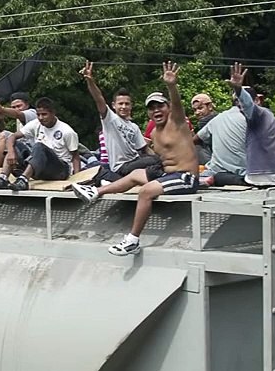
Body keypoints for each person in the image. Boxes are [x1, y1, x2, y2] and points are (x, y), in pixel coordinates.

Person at [73, 62, 200, 256]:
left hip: (185, 177)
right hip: (166, 173)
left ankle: (132, 240)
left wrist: (171, 86)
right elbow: (153, 155)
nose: (156, 110)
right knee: (136, 175)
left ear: (168, 108)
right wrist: (90, 81)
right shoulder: (154, 134)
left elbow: (177, 105)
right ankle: (95, 191)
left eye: (160, 106)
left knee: (146, 191)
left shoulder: (177, 123)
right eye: (152, 108)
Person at [0, 97, 80, 190]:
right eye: (38, 114)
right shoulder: (36, 124)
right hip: (40, 167)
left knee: (39, 146)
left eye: (44, 114)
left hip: (59, 170)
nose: (41, 118)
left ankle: (23, 179)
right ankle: (3, 178)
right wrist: (11, 152)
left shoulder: (67, 131)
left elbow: (75, 156)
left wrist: (78, 180)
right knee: (16, 144)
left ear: (53, 113)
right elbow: (12, 137)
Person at [79, 61, 148, 184]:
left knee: (157, 161)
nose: (124, 107)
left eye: (127, 104)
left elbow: (145, 149)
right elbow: (98, 99)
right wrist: (90, 80)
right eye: (120, 104)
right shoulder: (110, 119)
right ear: (113, 106)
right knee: (155, 162)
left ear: (131, 106)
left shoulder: (134, 127)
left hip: (135, 163)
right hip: (121, 167)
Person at [228, 64, 275, 188]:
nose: (239, 105)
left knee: (221, 177)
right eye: (236, 102)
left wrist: (238, 89)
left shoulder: (257, 114)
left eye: (240, 101)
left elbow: (248, 105)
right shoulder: (270, 116)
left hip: (260, 178)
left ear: (257, 100)